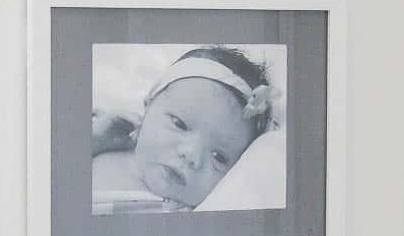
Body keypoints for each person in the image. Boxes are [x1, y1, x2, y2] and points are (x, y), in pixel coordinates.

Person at [92, 46, 278, 212]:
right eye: (179, 124)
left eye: (218, 157)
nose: (191, 155)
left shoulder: (193, 213)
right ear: (148, 106)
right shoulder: (102, 140)